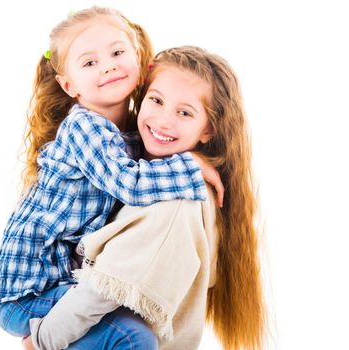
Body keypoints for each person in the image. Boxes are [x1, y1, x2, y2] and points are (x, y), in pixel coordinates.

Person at [0, 6, 223, 349]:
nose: (108, 64)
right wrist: (191, 164)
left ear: (138, 60)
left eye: (117, 52)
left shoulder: (133, 133)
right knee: (131, 337)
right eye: (89, 62)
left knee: (127, 328)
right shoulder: (84, 127)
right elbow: (131, 183)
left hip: (61, 281)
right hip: (30, 289)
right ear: (69, 85)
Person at [24, 46, 266, 350]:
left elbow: (104, 289)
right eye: (157, 100)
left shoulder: (175, 204)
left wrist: (40, 341)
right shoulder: (140, 171)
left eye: (185, 113)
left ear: (209, 130)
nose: (164, 121)